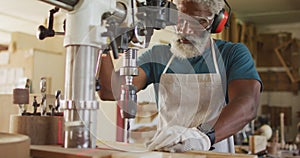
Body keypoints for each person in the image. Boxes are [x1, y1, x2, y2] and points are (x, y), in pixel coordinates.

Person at [99, 0, 262, 153]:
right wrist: (101, 43)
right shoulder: (158, 56)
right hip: (168, 152)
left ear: (216, 22)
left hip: (214, 152)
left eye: (198, 21)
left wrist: (202, 135)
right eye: (180, 19)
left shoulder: (232, 54)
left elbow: (248, 104)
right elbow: (109, 91)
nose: (185, 29)